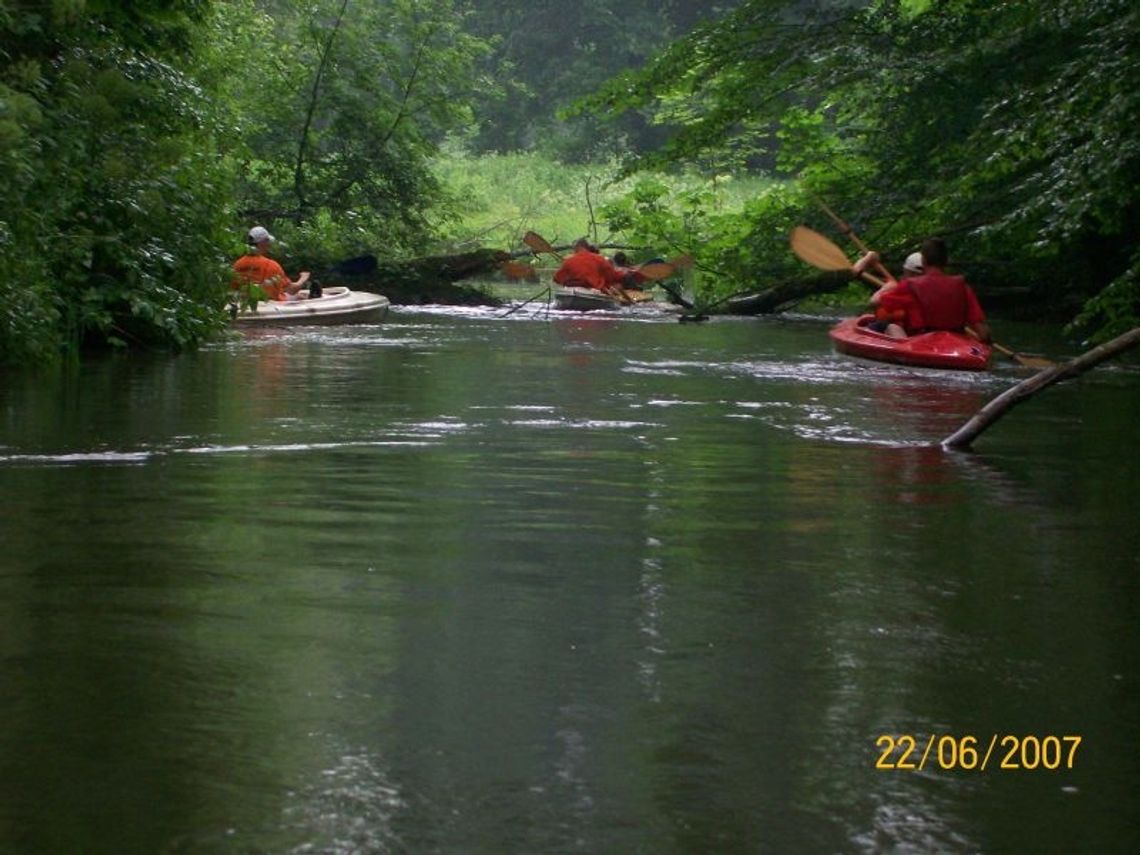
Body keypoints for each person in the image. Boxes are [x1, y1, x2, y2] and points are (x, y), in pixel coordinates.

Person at [854, 238, 991, 343]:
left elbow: (874, 304)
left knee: (891, 327)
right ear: (946, 261)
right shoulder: (962, 288)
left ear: (924, 261)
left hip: (920, 343)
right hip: (955, 343)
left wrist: (887, 288)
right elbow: (983, 332)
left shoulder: (908, 286)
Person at [232, 225, 311, 301]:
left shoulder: (237, 265)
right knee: (300, 296)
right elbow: (292, 290)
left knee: (298, 296)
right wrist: (303, 278)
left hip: (245, 305)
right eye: (267, 241)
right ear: (262, 243)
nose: (269, 244)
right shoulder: (271, 265)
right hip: (271, 306)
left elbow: (233, 291)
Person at [553, 238, 624, 295]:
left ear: (576, 248)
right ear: (587, 247)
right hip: (592, 290)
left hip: (571, 290)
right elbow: (611, 276)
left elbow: (557, 279)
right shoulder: (599, 259)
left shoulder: (568, 261)